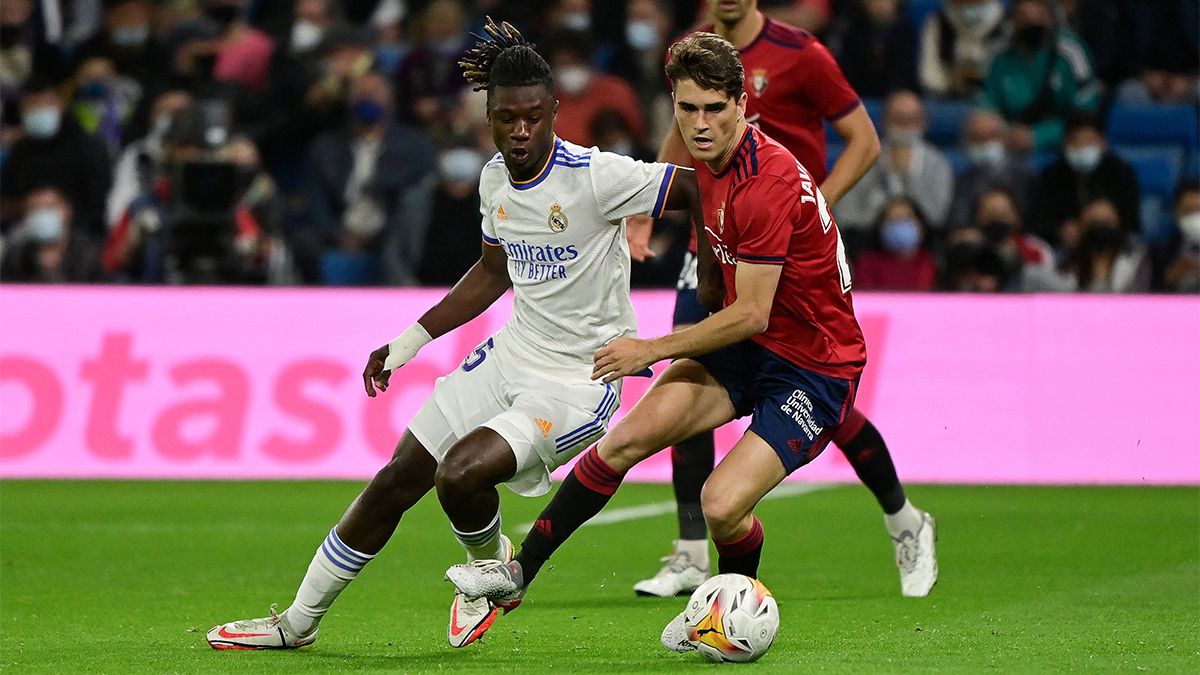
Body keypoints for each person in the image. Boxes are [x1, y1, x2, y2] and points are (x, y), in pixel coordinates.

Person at [205, 17, 704, 652]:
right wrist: (408, 342)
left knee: (461, 475)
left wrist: (732, 260)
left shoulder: (598, 176)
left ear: (554, 109)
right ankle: (297, 624)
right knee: (398, 478)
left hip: (580, 382)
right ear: (488, 114)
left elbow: (700, 188)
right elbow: (495, 271)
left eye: (532, 116)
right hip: (509, 358)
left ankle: (491, 572)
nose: (520, 131)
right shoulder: (496, 178)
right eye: (505, 118)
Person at [446, 33, 938, 650]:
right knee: (624, 442)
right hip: (747, 349)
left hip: (812, 367)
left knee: (721, 504)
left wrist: (650, 348)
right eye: (687, 109)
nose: (700, 125)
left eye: (713, 108)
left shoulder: (769, 183)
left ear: (741, 104)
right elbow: (715, 238)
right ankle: (517, 575)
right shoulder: (708, 164)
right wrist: (706, 274)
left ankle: (729, 617)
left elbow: (754, 314)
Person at [626, 0, 933, 601]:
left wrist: (813, 204)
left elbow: (864, 140)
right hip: (711, 246)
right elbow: (676, 135)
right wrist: (645, 212)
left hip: (783, 252)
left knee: (820, 404)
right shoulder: (698, 50)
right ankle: (690, 550)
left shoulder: (803, 54)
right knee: (686, 388)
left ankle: (905, 520)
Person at [1029, 110, 1139, 248]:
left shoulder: (1121, 173)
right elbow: (1037, 221)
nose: (1082, 148)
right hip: (1064, 247)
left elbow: (1132, 222)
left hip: (1113, 242)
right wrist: (1059, 232)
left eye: (1089, 141)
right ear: (1064, 145)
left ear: (1103, 143)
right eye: (1075, 142)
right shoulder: (1050, 175)